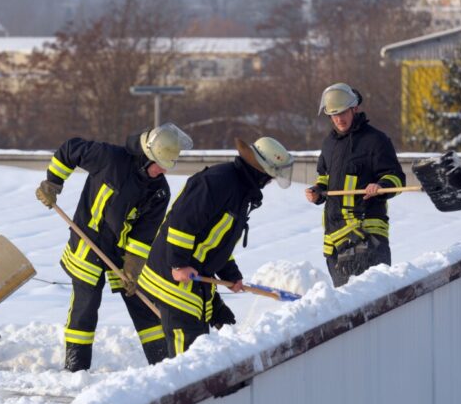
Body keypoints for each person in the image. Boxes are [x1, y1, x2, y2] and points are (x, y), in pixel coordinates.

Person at [35, 123, 193, 372]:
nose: (162, 171)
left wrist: (134, 267)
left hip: (122, 253)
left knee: (142, 302)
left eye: (167, 166)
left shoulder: (159, 191)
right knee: (85, 304)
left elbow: (144, 233)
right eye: (159, 164)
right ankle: (76, 368)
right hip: (88, 243)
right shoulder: (109, 158)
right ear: (146, 156)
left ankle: (162, 365)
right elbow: (69, 150)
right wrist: (53, 183)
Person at [137, 136, 294, 357]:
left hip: (196, 283)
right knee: (189, 364)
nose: (269, 182)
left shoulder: (240, 192)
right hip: (172, 283)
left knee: (210, 341)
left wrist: (231, 275)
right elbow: (182, 223)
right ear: (261, 170)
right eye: (270, 176)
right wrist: (179, 264)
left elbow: (215, 243)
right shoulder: (218, 182)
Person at [305, 83, 406, 287]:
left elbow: (396, 178)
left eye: (342, 113)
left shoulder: (376, 140)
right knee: (346, 305)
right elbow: (324, 177)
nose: (339, 120)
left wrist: (381, 186)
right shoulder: (329, 144)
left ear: (354, 109)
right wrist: (317, 191)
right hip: (335, 240)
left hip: (367, 238)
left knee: (371, 301)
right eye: (333, 115)